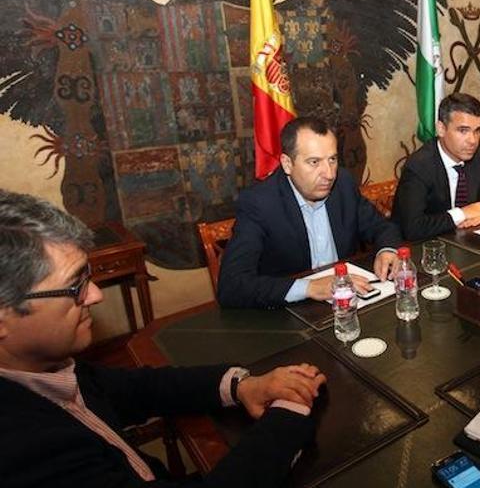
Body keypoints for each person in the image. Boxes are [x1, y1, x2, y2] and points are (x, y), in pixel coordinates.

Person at [0, 190, 327, 487]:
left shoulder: (45, 366)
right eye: (75, 287)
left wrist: (244, 386)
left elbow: (136, 389)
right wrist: (287, 416)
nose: (96, 295)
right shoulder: (23, 451)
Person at [217, 117, 402, 309]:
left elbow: (381, 226)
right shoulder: (259, 203)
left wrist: (387, 250)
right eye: (314, 162)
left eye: (332, 159)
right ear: (287, 164)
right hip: (290, 314)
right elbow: (231, 286)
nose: (329, 174)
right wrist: (309, 288)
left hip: (349, 304)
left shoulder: (343, 183)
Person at [392, 93, 480, 241]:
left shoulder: (478, 157)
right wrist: (462, 214)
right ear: (441, 129)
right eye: (463, 131)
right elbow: (413, 228)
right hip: (425, 248)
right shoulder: (419, 166)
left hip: (464, 242)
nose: (473, 140)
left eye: (477, 131)